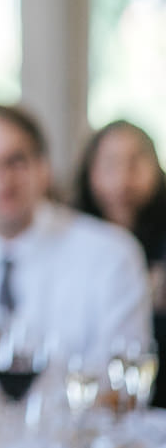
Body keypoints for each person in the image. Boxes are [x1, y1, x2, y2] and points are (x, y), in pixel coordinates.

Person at [0, 104, 152, 380]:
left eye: (15, 161)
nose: (1, 182)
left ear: (43, 168)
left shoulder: (111, 255)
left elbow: (123, 384)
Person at [73, 119, 166, 406]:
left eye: (136, 163)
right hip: (95, 388)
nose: (123, 178)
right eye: (111, 164)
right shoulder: (75, 236)